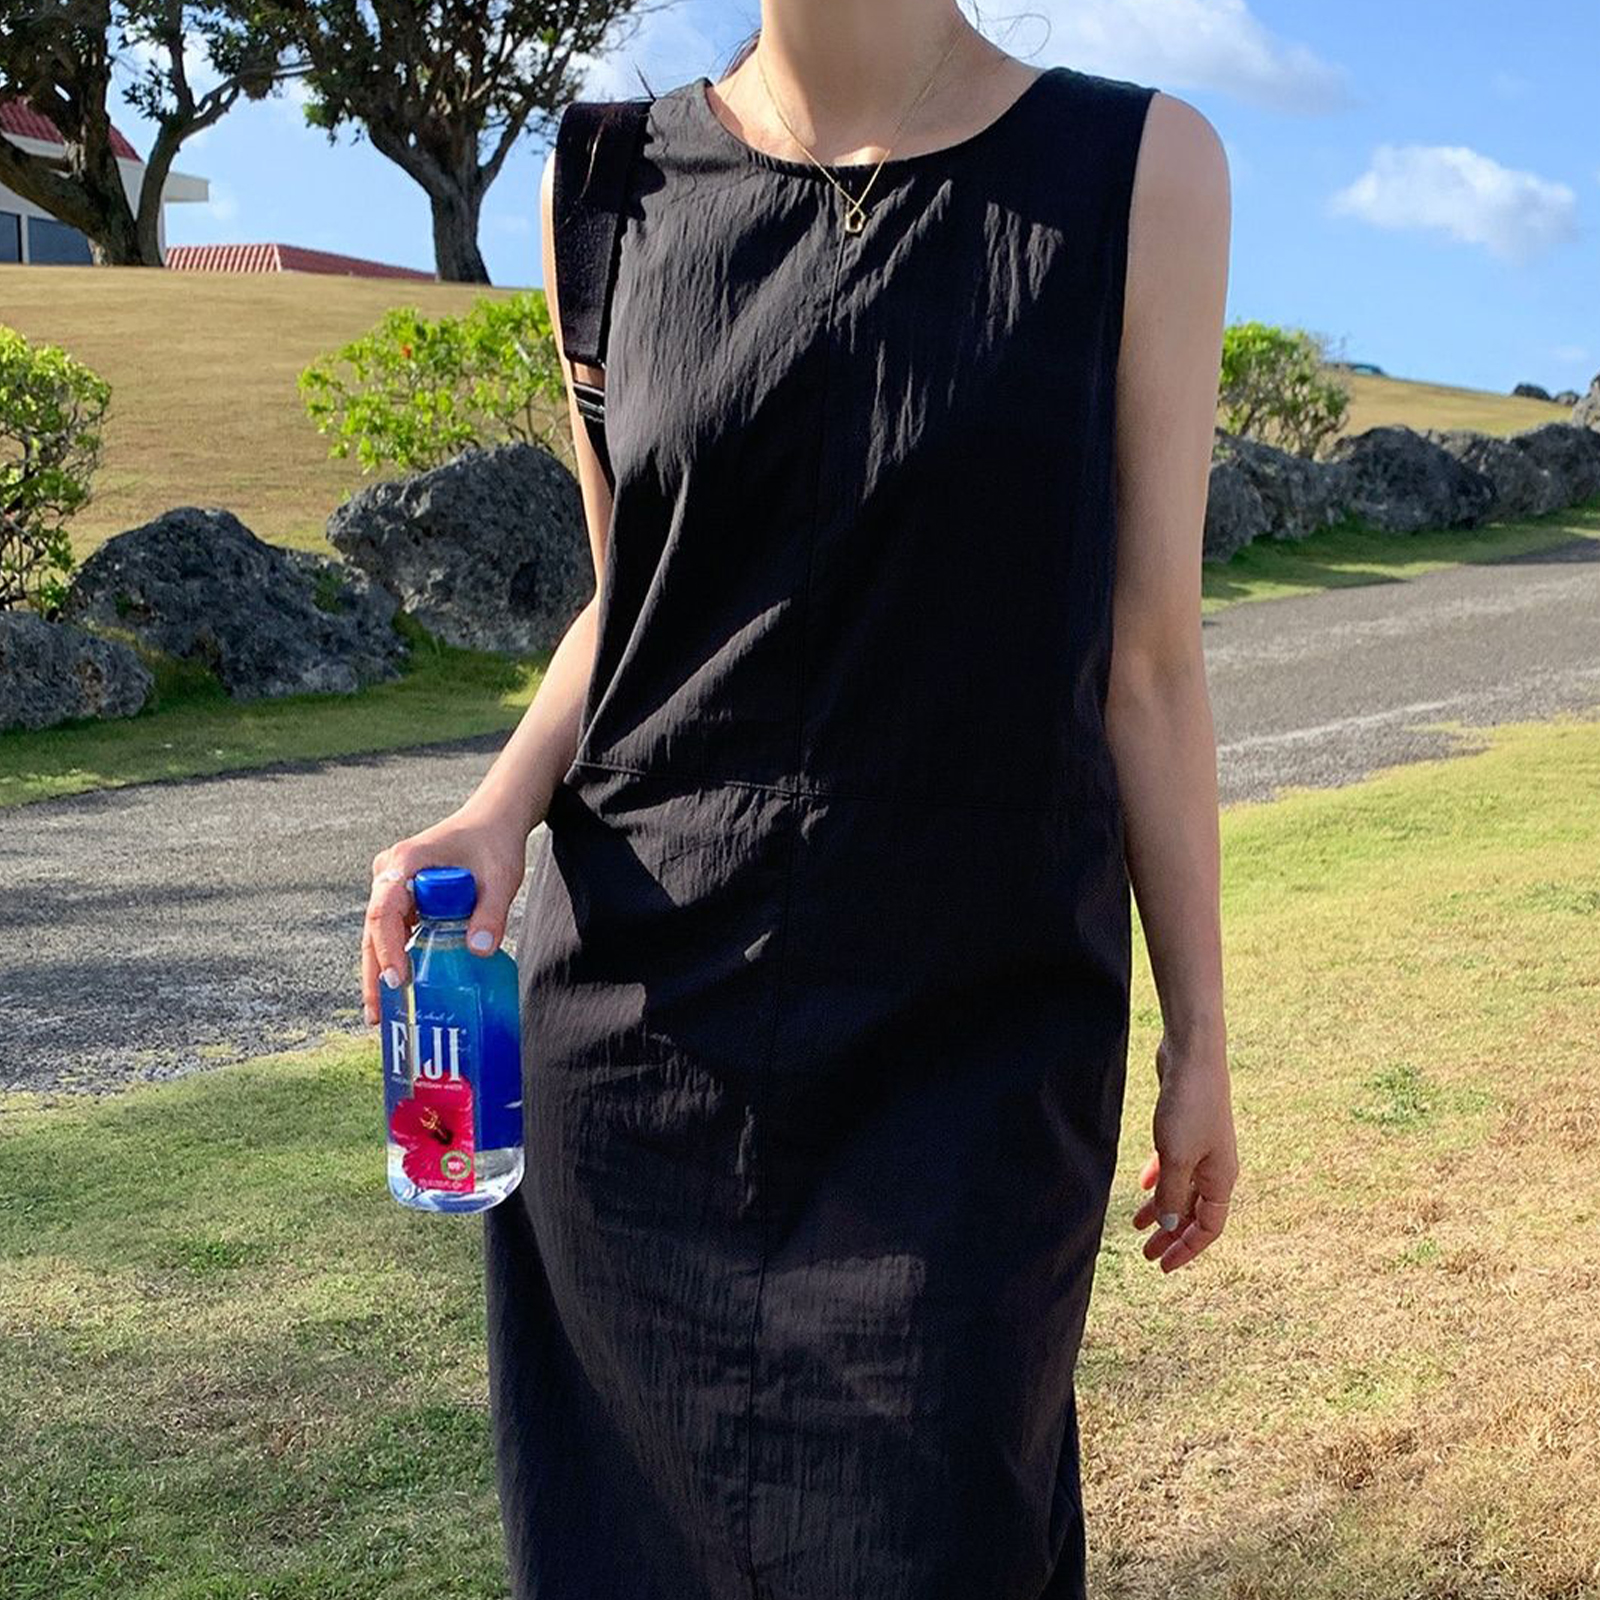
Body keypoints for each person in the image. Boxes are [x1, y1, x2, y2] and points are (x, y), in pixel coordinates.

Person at [363, 6, 1238, 1597]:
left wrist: (1203, 1039)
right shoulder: (601, 182)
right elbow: (632, 594)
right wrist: (495, 811)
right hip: (638, 1044)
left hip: (973, 1051)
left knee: (942, 1540)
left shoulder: (1139, 171)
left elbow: (1151, 663)